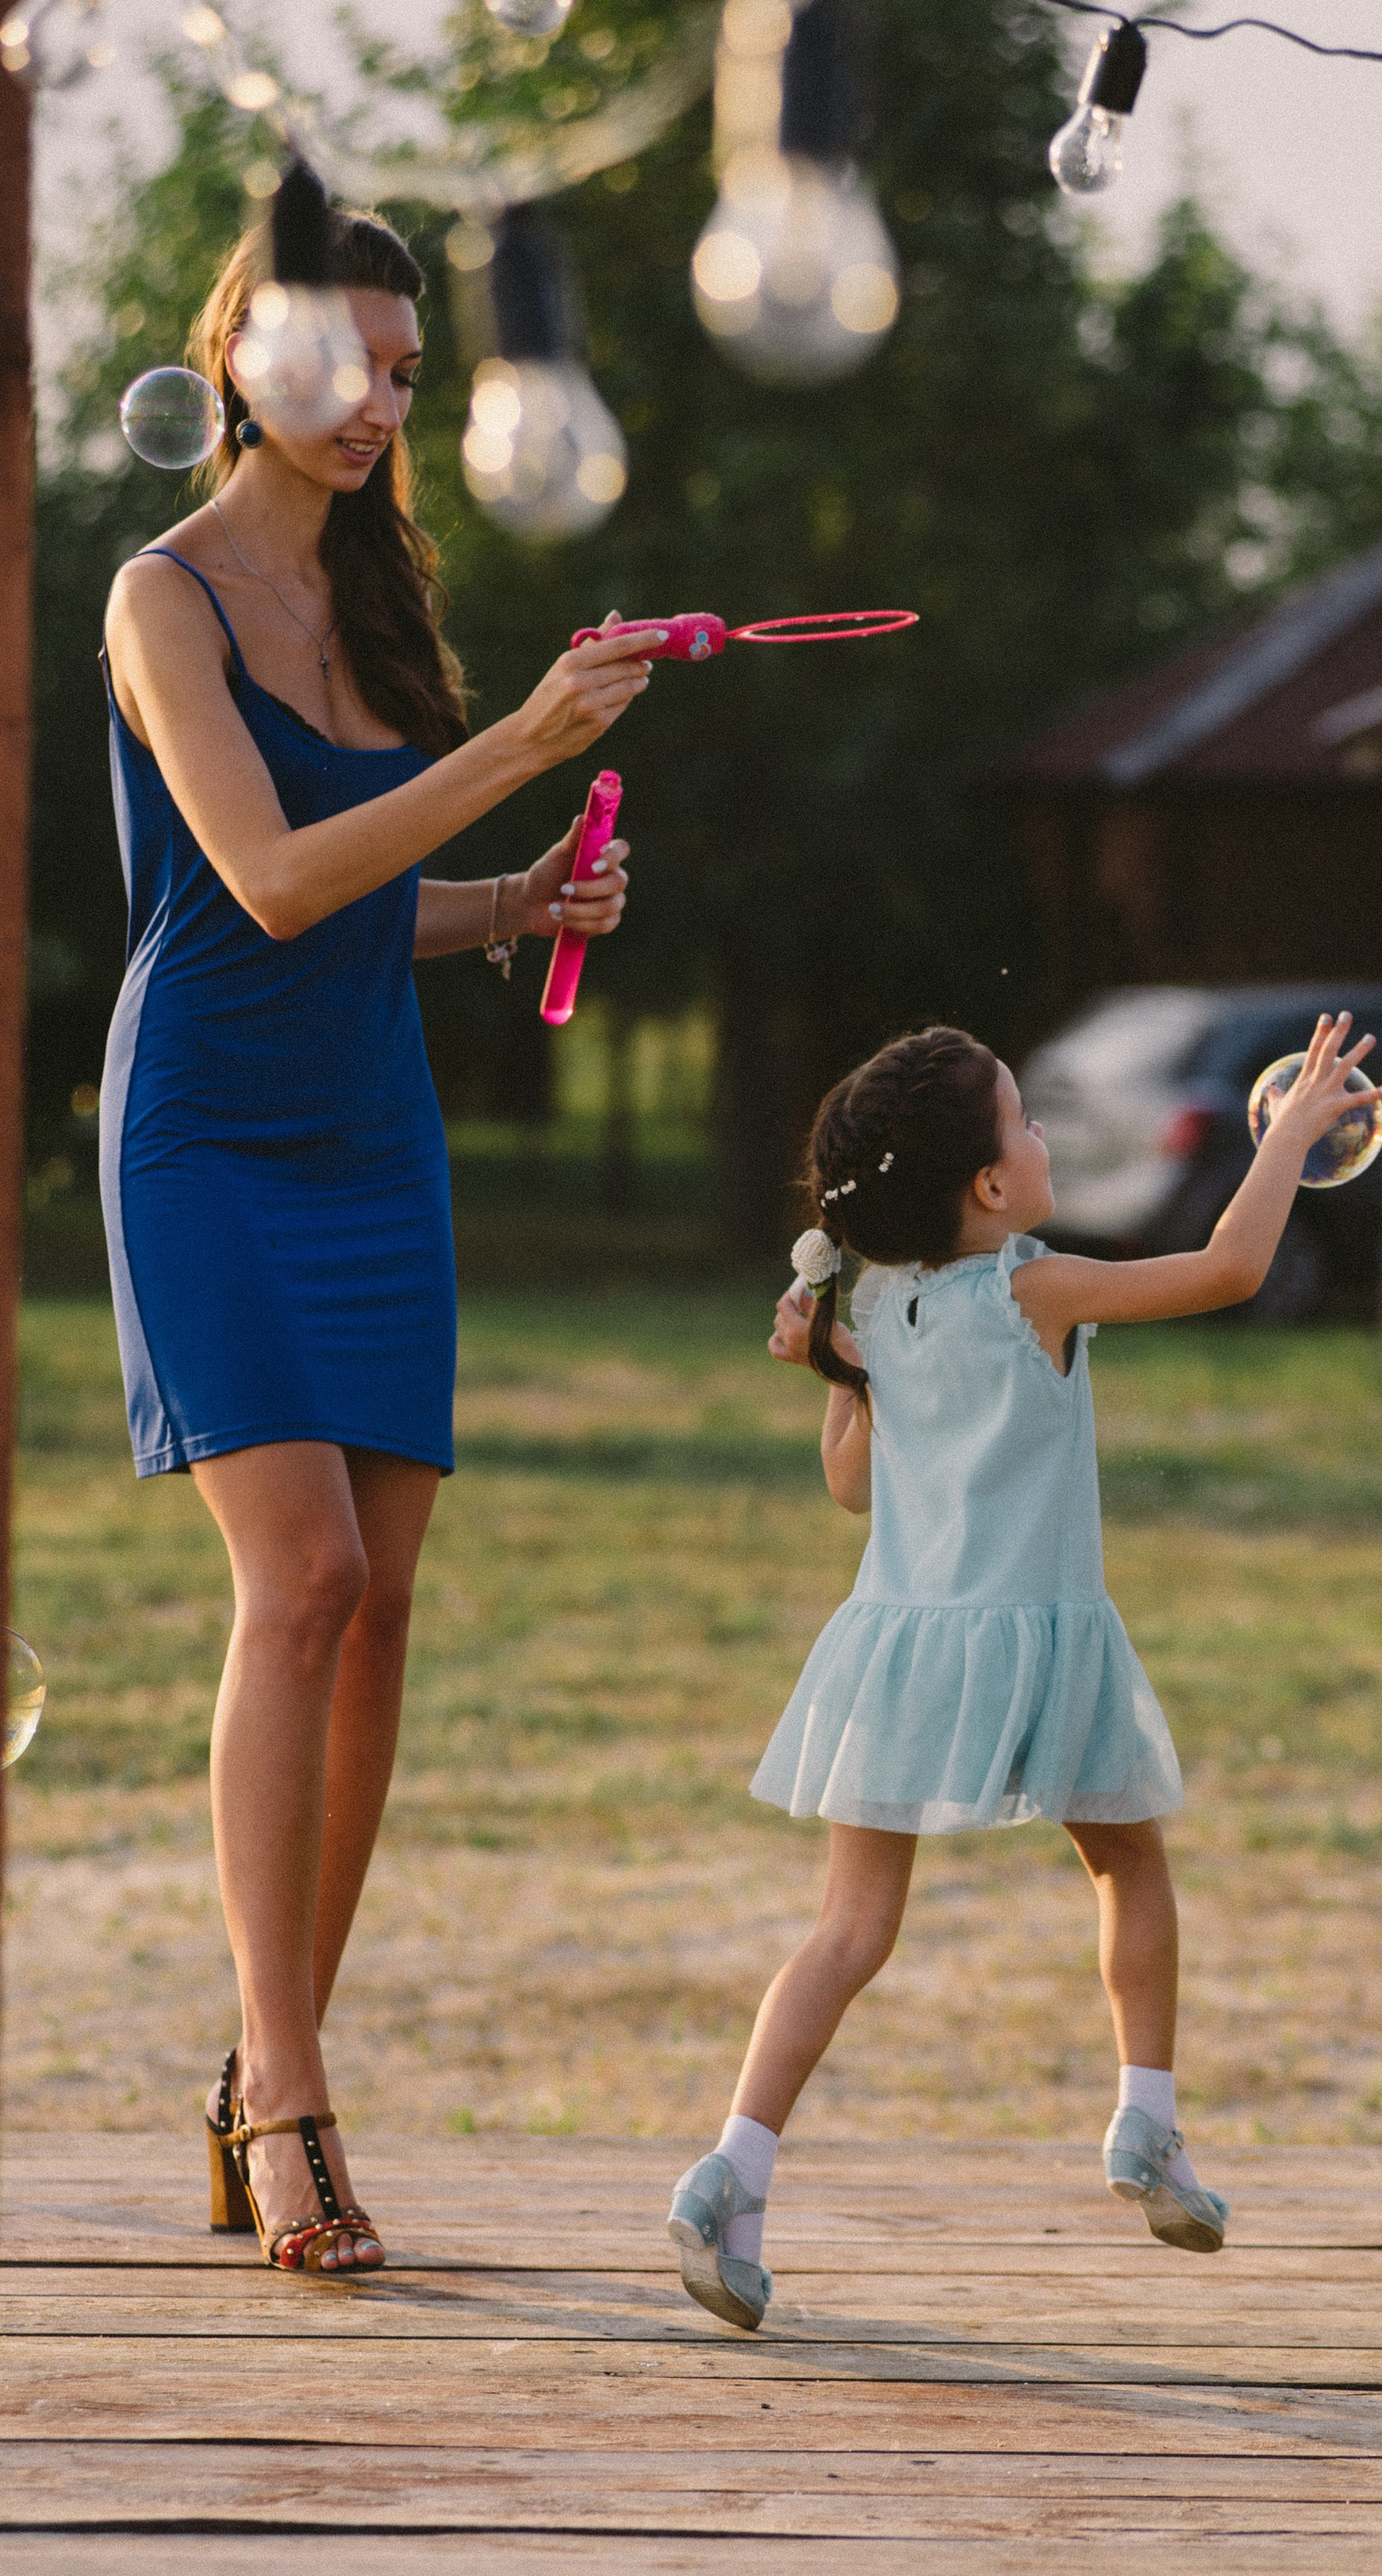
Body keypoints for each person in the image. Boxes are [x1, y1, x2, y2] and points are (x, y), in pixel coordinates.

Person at [99, 201, 662, 2278]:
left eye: (412, 375)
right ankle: (290, 2087)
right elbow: (257, 882)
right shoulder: (164, 600)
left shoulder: (380, 585)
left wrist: (512, 901)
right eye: (351, 364)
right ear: (246, 352)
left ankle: (270, 2050)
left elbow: (368, 894)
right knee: (307, 1573)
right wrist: (518, 745)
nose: (386, 407)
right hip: (210, 1139)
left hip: (373, 1136)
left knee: (390, 1600)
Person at [665, 1013, 1380, 2332]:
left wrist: (837, 1375)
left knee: (848, 1931)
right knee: (1129, 1865)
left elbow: (847, 1488)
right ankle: (1145, 2120)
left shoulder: (879, 1301)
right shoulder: (1032, 1289)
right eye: (1028, 1122)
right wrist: (1281, 1139)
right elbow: (1228, 1269)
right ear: (992, 1187)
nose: (1046, 1138)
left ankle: (735, 2167)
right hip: (1041, 1637)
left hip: (897, 1643)